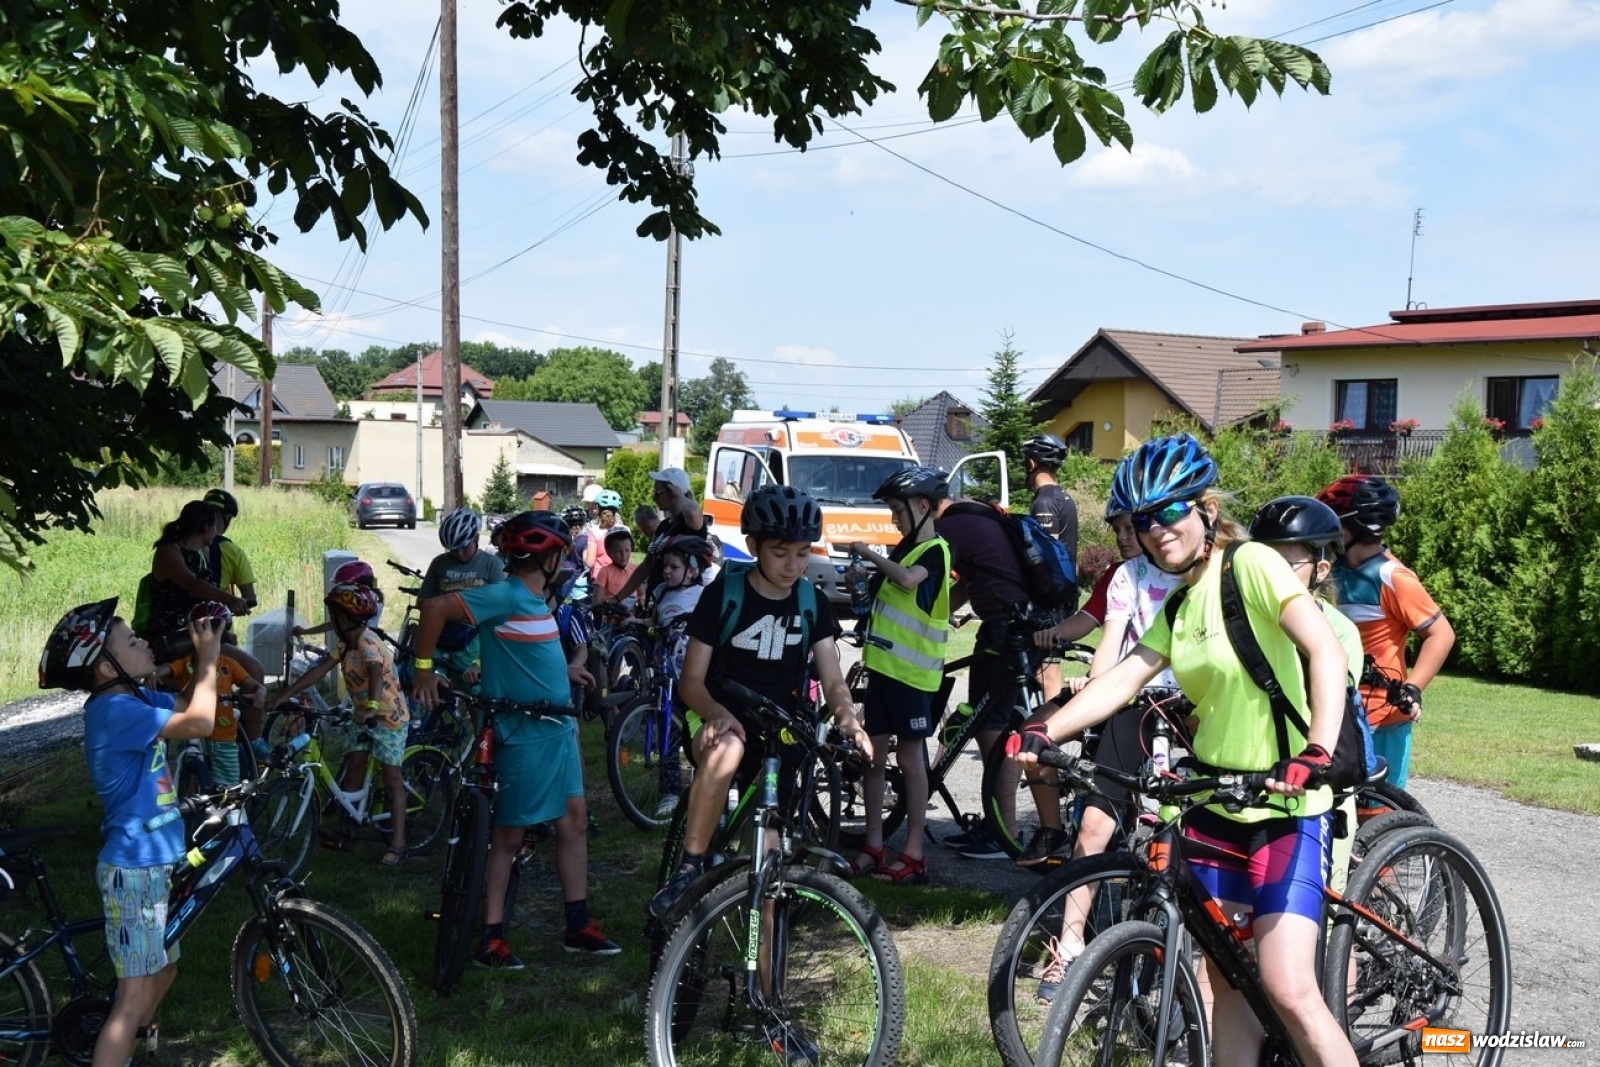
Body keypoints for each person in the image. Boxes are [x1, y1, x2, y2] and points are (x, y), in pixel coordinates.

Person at [1013, 433, 1358, 1067]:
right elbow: (1123, 676)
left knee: (1287, 985)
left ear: (1204, 507)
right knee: (1225, 979)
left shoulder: (1251, 564)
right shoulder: (1179, 602)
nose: (1157, 529)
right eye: (1143, 519)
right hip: (1216, 803)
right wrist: (1046, 730)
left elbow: (1325, 650)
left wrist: (1314, 750)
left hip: (1285, 804)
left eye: (1170, 510)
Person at [648, 486, 872, 924]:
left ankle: (764, 987)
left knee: (768, 875)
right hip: (717, 716)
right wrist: (715, 711)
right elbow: (691, 681)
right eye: (780, 553)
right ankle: (690, 865)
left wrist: (848, 719)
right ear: (753, 546)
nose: (793, 566)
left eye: (803, 553)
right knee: (728, 749)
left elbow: (831, 677)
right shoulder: (724, 594)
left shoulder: (812, 602)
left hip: (778, 732)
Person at [412, 511, 618, 964]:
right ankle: (491, 937)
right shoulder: (504, 594)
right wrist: (424, 671)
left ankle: (577, 924)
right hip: (525, 733)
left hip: (557, 727)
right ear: (549, 559)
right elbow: (434, 608)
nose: (565, 562)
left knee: (574, 821)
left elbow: (520, 649)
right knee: (508, 835)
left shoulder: (534, 600)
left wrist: (561, 670)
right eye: (562, 555)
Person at [40, 597, 223, 1067]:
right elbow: (201, 721)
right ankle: (113, 1050)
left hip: (156, 861)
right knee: (131, 998)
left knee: (163, 972)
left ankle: (121, 1053)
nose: (144, 643)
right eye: (132, 641)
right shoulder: (113, 712)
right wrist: (207, 660)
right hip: (135, 868)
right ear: (105, 668)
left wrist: (189, 661)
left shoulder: (136, 699)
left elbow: (189, 707)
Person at [1248, 495, 1368, 895]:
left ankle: (1343, 955)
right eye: (1263, 562)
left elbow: (1326, 705)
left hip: (1318, 787)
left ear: (1320, 569)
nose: (1271, 575)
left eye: (1286, 564)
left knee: (1326, 920)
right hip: (1257, 779)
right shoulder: (1248, 622)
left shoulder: (1337, 630)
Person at [843, 467, 951, 886]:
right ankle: (874, 845)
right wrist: (862, 581)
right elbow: (880, 601)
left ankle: (914, 852)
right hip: (884, 672)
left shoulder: (935, 551)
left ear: (923, 506)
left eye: (898, 510)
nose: (893, 518)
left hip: (913, 677)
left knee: (910, 760)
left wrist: (868, 553)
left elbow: (907, 582)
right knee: (873, 756)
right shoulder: (904, 550)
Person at [932, 492, 1050, 862]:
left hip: (1006, 629)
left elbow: (924, 576)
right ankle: (998, 823)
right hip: (1028, 623)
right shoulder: (988, 518)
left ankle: (1004, 833)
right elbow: (966, 585)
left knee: (990, 728)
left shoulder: (949, 525)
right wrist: (936, 617)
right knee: (998, 722)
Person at [1316, 475, 1454, 791]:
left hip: (1383, 718)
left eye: (1333, 522)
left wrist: (1413, 687)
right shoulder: (1330, 573)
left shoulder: (1392, 576)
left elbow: (1441, 634)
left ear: (1350, 527)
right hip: (1336, 710)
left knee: (1380, 817)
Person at [270, 583, 411, 866]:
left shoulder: (367, 643)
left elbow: (375, 674)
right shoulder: (346, 643)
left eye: (333, 616)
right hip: (363, 715)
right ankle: (348, 829)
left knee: (392, 779)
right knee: (354, 768)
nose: (331, 621)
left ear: (344, 619)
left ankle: (399, 843)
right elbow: (319, 670)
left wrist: (371, 707)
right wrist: (284, 695)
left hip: (387, 718)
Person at [1021, 434, 1080, 704]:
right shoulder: (1064, 498)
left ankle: (1049, 735)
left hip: (1051, 600)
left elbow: (1045, 557)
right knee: (1039, 668)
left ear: (1032, 463)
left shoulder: (1044, 502)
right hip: (1064, 595)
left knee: (1047, 673)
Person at [420, 508, 506, 680]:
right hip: (440, 634)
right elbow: (422, 601)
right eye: (453, 549)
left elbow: (502, 610)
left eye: (464, 547)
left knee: (476, 691)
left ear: (475, 538)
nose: (459, 553)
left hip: (475, 638)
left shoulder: (492, 564)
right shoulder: (439, 563)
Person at [612, 467, 708, 605]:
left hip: (681, 605)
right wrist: (617, 598)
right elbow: (646, 566)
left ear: (673, 491)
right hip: (660, 601)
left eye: (658, 492)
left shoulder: (689, 524)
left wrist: (680, 495)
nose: (654, 497)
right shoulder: (663, 526)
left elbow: (694, 514)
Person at [201, 489, 258, 612]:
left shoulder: (181, 545)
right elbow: (250, 597)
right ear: (227, 517)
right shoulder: (233, 552)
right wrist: (234, 603)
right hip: (219, 626)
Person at [593, 527, 637, 605]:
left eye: (627, 550)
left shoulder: (635, 570)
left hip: (633, 615)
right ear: (609, 552)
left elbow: (642, 595)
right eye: (618, 551)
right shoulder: (605, 572)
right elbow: (596, 602)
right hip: (612, 614)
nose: (624, 555)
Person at [590, 489, 625, 577]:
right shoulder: (625, 530)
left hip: (599, 577)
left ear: (597, 509)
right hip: (619, 577)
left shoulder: (594, 532)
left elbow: (589, 562)